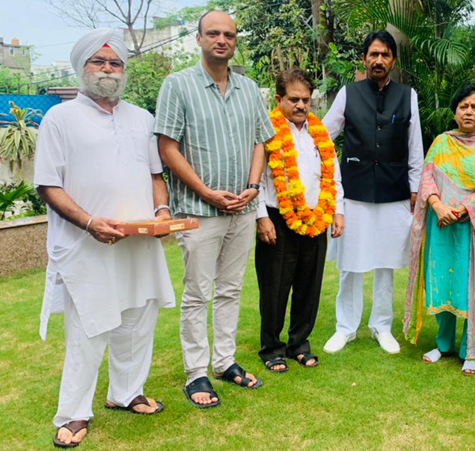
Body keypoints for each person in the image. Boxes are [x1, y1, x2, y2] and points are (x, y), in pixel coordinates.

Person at [35, 29, 175, 448]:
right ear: (82, 68)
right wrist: (90, 222)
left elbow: (155, 176)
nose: (109, 70)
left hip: (138, 242)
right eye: (99, 62)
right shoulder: (59, 118)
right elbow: (48, 185)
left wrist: (163, 211)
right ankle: (73, 413)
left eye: (115, 64)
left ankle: (125, 393)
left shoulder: (142, 117)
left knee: (138, 319)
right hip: (87, 243)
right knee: (90, 328)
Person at [154, 10, 274, 408]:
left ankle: (224, 361)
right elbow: (167, 147)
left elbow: (261, 142)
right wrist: (207, 192)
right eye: (214, 34)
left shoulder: (249, 88)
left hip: (241, 209)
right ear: (198, 38)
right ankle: (196, 373)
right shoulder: (178, 85)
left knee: (231, 290)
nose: (222, 40)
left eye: (229, 34)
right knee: (197, 294)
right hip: (198, 211)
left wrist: (253, 187)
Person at [321, 30, 424, 354]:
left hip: (394, 193)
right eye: (373, 54)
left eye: (385, 55)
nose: (379, 60)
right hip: (354, 191)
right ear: (364, 58)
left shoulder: (408, 96)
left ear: (393, 60)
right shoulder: (348, 94)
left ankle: (382, 326)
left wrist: (415, 190)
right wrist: (327, 184)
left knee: (386, 263)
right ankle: (345, 328)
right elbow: (323, 137)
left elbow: (415, 147)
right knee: (350, 264)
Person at [402, 84, 475, 375]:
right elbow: (427, 177)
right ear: (454, 112)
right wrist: (438, 206)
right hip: (440, 225)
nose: (468, 111)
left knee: (469, 286)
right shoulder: (441, 141)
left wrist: (463, 209)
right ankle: (443, 344)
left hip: (471, 228)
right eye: (463, 106)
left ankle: (472, 350)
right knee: (442, 284)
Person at [255, 69, 344, 372]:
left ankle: (299, 344)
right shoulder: (266, 130)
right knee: (275, 286)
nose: (301, 105)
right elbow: (251, 178)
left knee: (309, 285)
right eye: (294, 99)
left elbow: (332, 174)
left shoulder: (319, 133)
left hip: (316, 217)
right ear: (279, 99)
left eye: (306, 99)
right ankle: (271, 349)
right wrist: (260, 217)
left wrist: (337, 211)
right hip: (276, 218)